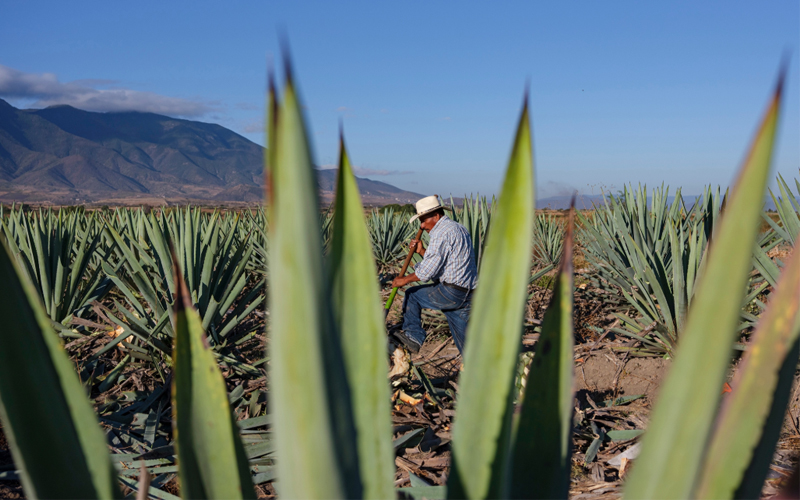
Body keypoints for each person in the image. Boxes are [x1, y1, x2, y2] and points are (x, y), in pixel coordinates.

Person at [390, 195, 478, 355]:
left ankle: (414, 337)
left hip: (451, 292)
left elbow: (427, 272)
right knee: (466, 345)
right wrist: (421, 251)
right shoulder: (459, 228)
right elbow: (444, 265)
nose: (422, 226)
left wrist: (404, 280)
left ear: (436, 216)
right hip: (468, 294)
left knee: (412, 295)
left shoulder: (441, 234)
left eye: (424, 220)